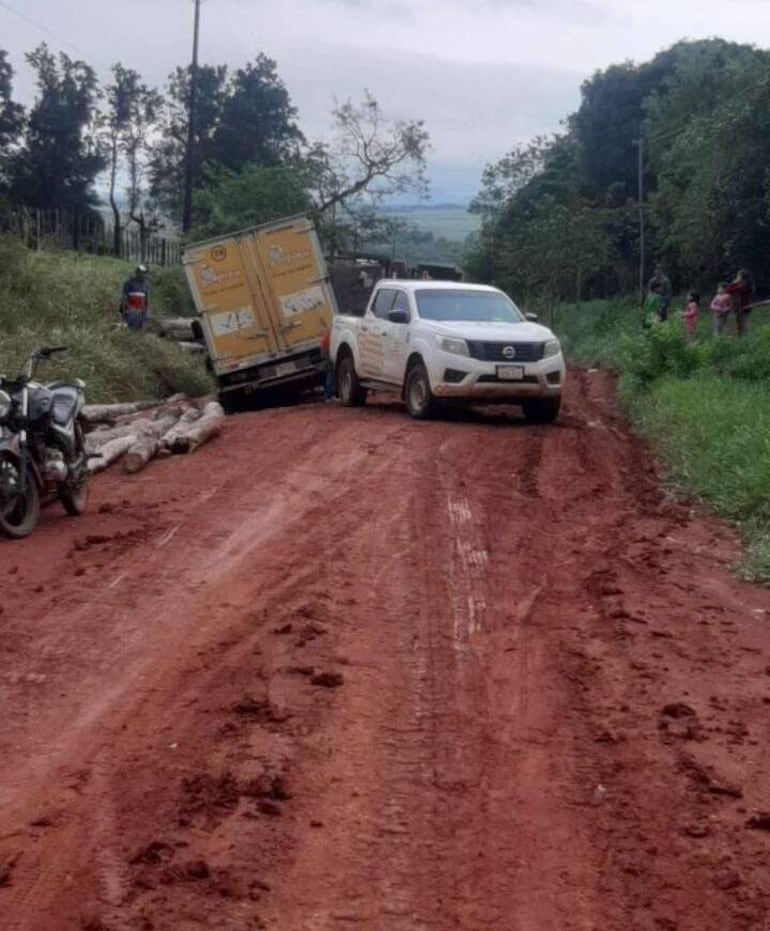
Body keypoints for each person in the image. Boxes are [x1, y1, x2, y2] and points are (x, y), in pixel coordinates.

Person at [725, 268, 754, 336]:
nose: (736, 277)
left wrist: (733, 283)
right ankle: (742, 337)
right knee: (742, 324)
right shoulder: (745, 284)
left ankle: (742, 338)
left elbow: (728, 290)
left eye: (738, 276)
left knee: (741, 325)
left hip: (742, 307)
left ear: (741, 277)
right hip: (744, 307)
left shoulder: (742, 286)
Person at [121, 265, 150, 330]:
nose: (143, 275)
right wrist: (127, 311)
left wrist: (146, 312)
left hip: (141, 313)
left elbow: (146, 301)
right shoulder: (129, 283)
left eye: (144, 273)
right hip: (131, 313)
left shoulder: (146, 284)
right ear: (137, 273)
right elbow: (124, 299)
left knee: (140, 332)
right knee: (130, 331)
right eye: (141, 273)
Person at [319, 327, 335, 401]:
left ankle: (329, 395)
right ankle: (328, 396)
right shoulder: (332, 330)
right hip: (327, 351)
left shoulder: (330, 330)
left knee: (329, 373)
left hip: (325, 350)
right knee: (330, 373)